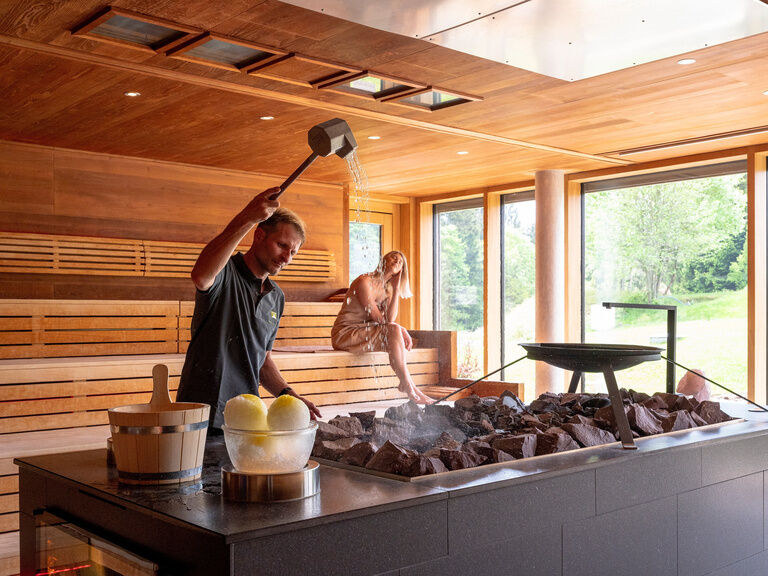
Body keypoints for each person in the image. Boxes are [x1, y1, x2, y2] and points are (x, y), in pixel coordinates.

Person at [177, 187, 321, 430]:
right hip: (201, 411)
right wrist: (248, 216)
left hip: (247, 415)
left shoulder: (276, 297)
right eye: (281, 245)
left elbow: (262, 359)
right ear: (259, 236)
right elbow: (201, 276)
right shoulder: (225, 272)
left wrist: (287, 394)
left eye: (293, 252)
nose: (287, 257)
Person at [332, 250, 433, 404]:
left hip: (365, 333)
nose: (397, 261)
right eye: (394, 257)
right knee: (393, 331)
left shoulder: (388, 290)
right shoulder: (364, 282)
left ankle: (411, 387)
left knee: (393, 332)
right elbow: (379, 319)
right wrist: (401, 329)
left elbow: (390, 319)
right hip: (346, 334)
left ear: (401, 271)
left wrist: (396, 289)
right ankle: (409, 386)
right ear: (383, 260)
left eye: (401, 262)